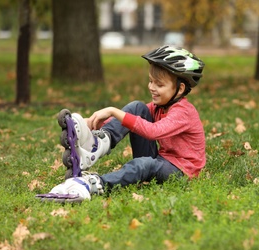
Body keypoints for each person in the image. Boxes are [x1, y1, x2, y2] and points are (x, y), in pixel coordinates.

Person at [36, 45, 206, 203]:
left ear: (180, 89)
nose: (152, 87)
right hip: (161, 161)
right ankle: (97, 142)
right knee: (137, 107)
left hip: (181, 171)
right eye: (150, 81)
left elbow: (153, 132)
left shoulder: (183, 112)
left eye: (159, 84)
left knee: (144, 165)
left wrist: (113, 110)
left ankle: (95, 184)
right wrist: (92, 122)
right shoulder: (160, 107)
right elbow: (131, 118)